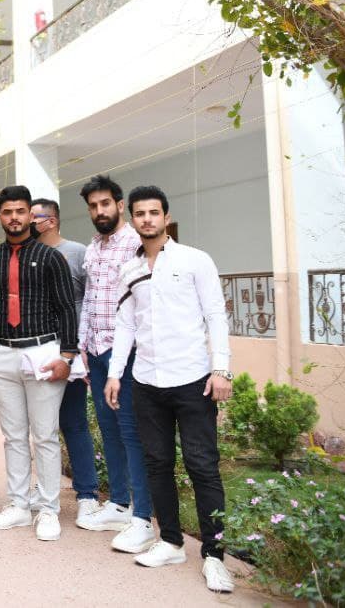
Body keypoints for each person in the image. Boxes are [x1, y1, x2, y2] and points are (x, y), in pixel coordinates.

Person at [104, 186, 235, 594]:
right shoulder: (130, 269)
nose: (147, 219)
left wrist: (221, 369)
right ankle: (171, 542)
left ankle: (214, 556)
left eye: (153, 212)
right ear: (133, 218)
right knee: (157, 464)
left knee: (202, 466)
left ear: (166, 216)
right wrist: (114, 373)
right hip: (147, 382)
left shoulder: (195, 260)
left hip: (193, 380)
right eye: (140, 213)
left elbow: (215, 315)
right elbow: (126, 324)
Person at [0, 185, 78, 542]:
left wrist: (67, 356)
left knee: (45, 435)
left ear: (30, 216)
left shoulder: (51, 258)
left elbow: (67, 308)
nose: (14, 217)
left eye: (21, 211)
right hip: (1, 353)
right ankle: (19, 505)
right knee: (14, 436)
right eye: (8, 212)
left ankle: (48, 509)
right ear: (0, 216)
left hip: (43, 352)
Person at [77, 175, 155, 551]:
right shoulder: (94, 246)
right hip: (95, 351)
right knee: (108, 430)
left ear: (120, 205)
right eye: (93, 206)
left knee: (130, 432)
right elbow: (90, 300)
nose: (100, 211)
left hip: (126, 352)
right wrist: (82, 347)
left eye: (105, 203)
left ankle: (142, 513)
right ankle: (120, 503)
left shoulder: (136, 244)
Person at [29, 197, 99, 525]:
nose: (30, 222)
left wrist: (82, 349)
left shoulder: (76, 252)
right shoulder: (27, 253)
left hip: (70, 351)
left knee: (73, 423)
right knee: (41, 428)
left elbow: (90, 300)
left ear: (52, 220)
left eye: (36, 217)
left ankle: (87, 494)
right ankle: (44, 491)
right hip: (36, 350)